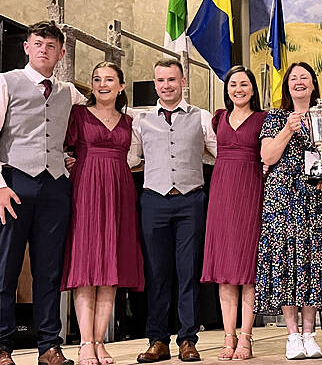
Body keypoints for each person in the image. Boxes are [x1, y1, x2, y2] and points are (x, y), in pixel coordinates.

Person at [0, 20, 86, 365]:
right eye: (38, 43)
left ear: (61, 53)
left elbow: (99, 117)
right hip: (15, 183)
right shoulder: (6, 82)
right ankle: (2, 346)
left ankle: (49, 346)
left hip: (55, 185)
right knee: (4, 269)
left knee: (49, 271)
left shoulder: (69, 92)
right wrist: (0, 186)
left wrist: (74, 157)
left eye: (51, 46)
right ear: (26, 47)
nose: (43, 50)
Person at [128, 59, 217, 363]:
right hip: (154, 201)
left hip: (191, 200)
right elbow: (130, 158)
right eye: (160, 80)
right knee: (156, 273)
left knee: (188, 272)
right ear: (155, 84)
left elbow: (220, 154)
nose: (166, 85)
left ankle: (188, 339)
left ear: (183, 81)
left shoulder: (201, 117)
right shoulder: (140, 121)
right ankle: (157, 339)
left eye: (172, 80)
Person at [255, 62, 322, 360]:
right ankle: (292, 335)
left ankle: (309, 334)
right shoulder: (276, 117)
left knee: (311, 261)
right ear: (287, 86)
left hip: (314, 195)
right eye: (293, 78)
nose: (299, 82)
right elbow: (267, 155)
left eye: (304, 77)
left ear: (313, 83)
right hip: (281, 197)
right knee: (285, 262)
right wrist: (288, 129)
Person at [61, 62, 144, 365]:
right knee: (85, 266)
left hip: (119, 192)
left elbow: (136, 157)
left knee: (110, 269)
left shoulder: (130, 121)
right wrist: (70, 163)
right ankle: (84, 343)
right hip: (85, 190)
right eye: (97, 79)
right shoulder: (78, 114)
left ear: (121, 85)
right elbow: (61, 149)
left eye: (109, 79)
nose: (102, 84)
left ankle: (100, 341)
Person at [200, 66, 267, 361]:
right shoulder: (218, 118)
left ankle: (246, 338)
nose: (238, 89)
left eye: (244, 84)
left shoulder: (264, 119)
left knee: (247, 271)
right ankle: (228, 337)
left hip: (251, 189)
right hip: (222, 191)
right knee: (226, 272)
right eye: (233, 84)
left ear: (253, 89)